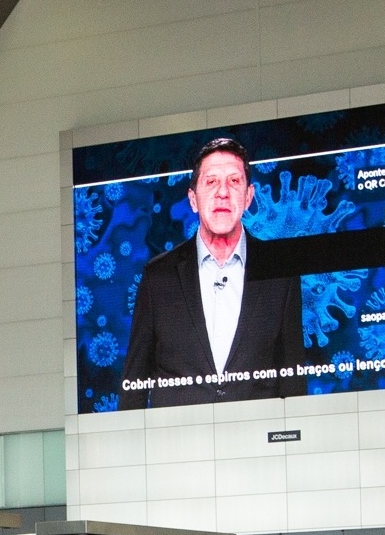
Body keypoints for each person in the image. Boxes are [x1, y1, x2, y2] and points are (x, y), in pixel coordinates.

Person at [119, 138, 300, 408]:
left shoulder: (280, 270)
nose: (223, 193)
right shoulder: (158, 277)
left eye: (234, 182)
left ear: (249, 196)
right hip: (179, 444)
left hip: (257, 441)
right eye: (211, 181)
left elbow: (293, 379)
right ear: (193, 199)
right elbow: (134, 384)